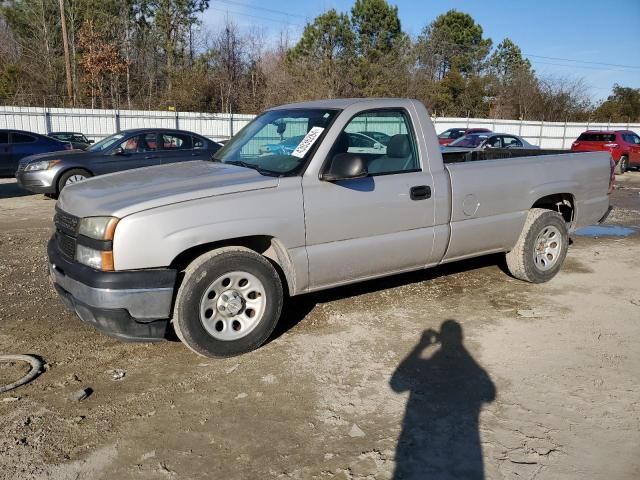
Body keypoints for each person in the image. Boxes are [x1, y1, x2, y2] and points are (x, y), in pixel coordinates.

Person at [390, 320, 496, 479]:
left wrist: (421, 346)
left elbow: (396, 384)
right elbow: (489, 394)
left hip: (424, 455)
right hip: (460, 454)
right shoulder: (470, 369)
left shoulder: (425, 367)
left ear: (440, 340)